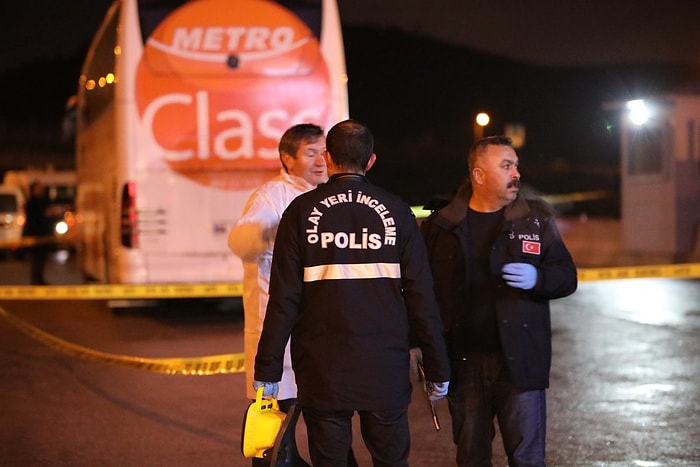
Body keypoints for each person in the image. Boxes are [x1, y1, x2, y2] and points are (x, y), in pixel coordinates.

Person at [254, 119, 451, 466]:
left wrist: (267, 370)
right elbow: (421, 295)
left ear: (328, 158)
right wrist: (438, 367)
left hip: (322, 371)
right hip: (384, 369)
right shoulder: (397, 211)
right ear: (371, 161)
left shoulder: (299, 213)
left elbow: (283, 299)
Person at [420, 135, 578, 466]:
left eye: (516, 165)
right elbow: (423, 294)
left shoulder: (535, 220)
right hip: (463, 363)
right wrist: (423, 350)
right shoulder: (442, 226)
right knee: (472, 456)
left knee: (526, 458)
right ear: (479, 175)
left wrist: (539, 279)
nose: (516, 173)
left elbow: (567, 276)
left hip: (520, 362)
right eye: (506, 166)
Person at [23, 181, 54, 285]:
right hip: (36, 235)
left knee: (41, 258)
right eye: (38, 188)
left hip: (42, 235)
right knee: (37, 258)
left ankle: (38, 278)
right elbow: (35, 219)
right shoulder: (32, 203)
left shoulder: (42, 201)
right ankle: (36, 279)